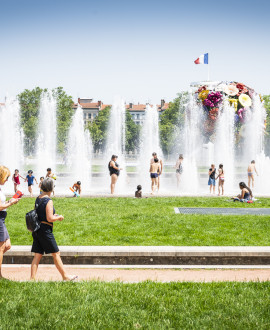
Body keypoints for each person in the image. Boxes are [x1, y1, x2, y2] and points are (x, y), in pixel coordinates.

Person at [30, 178, 77, 281]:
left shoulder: (38, 198)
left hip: (37, 229)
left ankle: (32, 279)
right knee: (56, 253)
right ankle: (65, 276)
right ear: (51, 188)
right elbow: (49, 218)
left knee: (37, 255)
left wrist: (52, 215)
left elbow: (41, 214)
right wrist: (59, 217)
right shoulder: (48, 200)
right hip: (45, 230)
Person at [0, 165, 19, 279]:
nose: (7, 180)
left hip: (2, 218)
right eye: (6, 177)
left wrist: (10, 201)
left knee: (7, 245)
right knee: (1, 248)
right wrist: (11, 203)